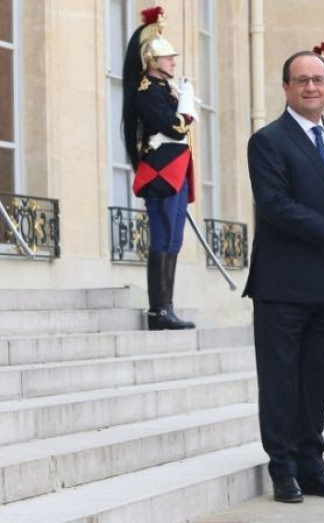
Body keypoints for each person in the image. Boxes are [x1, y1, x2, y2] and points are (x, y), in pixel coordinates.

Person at [243, 50, 324, 503]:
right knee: (281, 381)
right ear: (286, 88)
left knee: (316, 380)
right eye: (301, 80)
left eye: (318, 80)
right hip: (281, 286)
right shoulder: (268, 141)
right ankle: (284, 469)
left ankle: (313, 466)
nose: (311, 87)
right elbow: (274, 204)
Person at [121, 6, 196, 331]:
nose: (173, 63)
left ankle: (168, 306)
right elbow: (175, 128)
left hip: (175, 168)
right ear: (152, 60)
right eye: (167, 58)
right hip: (161, 172)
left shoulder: (165, 89)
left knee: (174, 238)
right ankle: (158, 311)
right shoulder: (147, 91)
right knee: (163, 236)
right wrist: (186, 108)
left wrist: (182, 100)